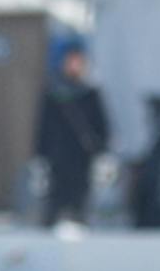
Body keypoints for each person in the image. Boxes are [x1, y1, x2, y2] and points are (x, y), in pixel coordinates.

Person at [35, 39, 109, 229]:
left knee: (81, 199)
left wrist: (101, 147)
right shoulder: (53, 94)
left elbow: (101, 125)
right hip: (58, 155)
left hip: (82, 155)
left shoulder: (90, 94)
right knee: (55, 198)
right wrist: (40, 153)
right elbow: (44, 126)